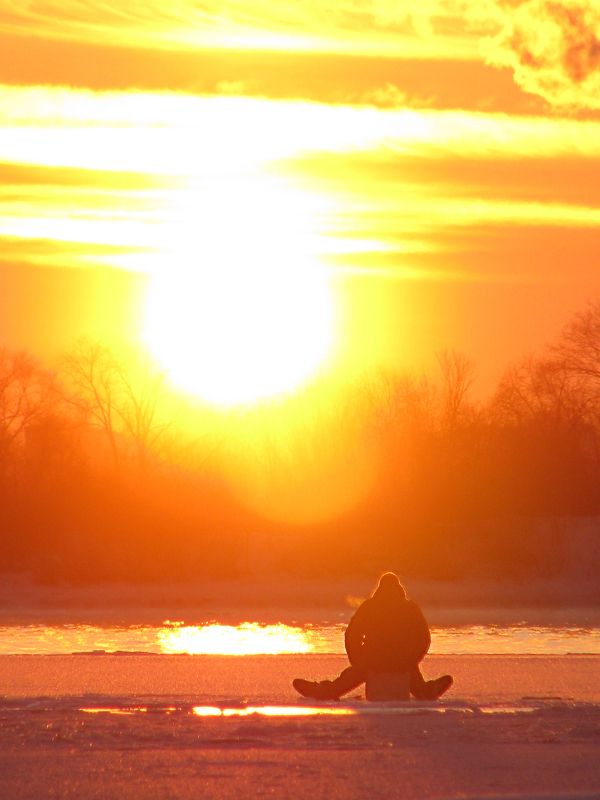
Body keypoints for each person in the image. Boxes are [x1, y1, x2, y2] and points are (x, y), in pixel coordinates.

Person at [293, 572, 453, 701]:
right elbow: (423, 639)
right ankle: (430, 689)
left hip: (372, 661)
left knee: (338, 687)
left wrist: (357, 660)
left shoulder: (370, 606)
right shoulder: (410, 608)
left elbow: (351, 635)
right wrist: (410, 660)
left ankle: (321, 691)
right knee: (423, 693)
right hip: (397, 662)